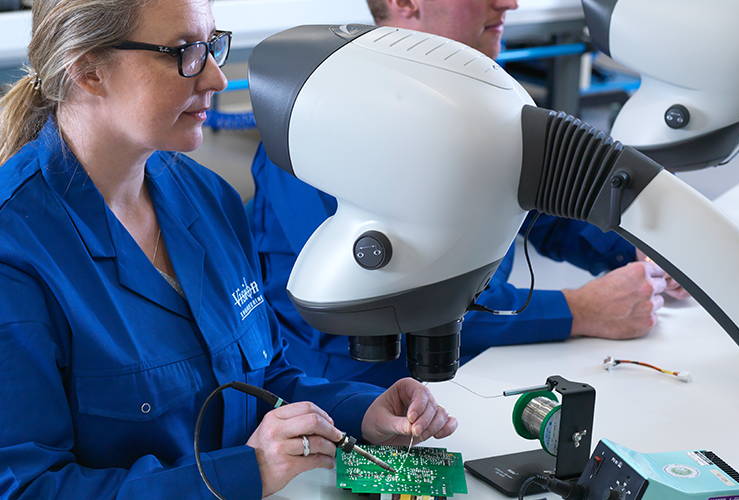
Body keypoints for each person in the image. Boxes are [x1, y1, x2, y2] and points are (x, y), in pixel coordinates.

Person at [0, 1, 457, 499]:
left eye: (212, 45)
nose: (217, 78)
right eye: (184, 53)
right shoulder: (15, 254)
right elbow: (31, 489)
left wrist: (361, 411)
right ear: (88, 69)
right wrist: (244, 471)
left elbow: (263, 376)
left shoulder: (207, 198)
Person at [249, 0, 689, 389]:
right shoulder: (319, 125)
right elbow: (383, 298)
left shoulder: (484, 102)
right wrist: (579, 309)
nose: (509, 4)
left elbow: (545, 206)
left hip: (476, 367)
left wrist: (637, 250)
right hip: (359, 390)